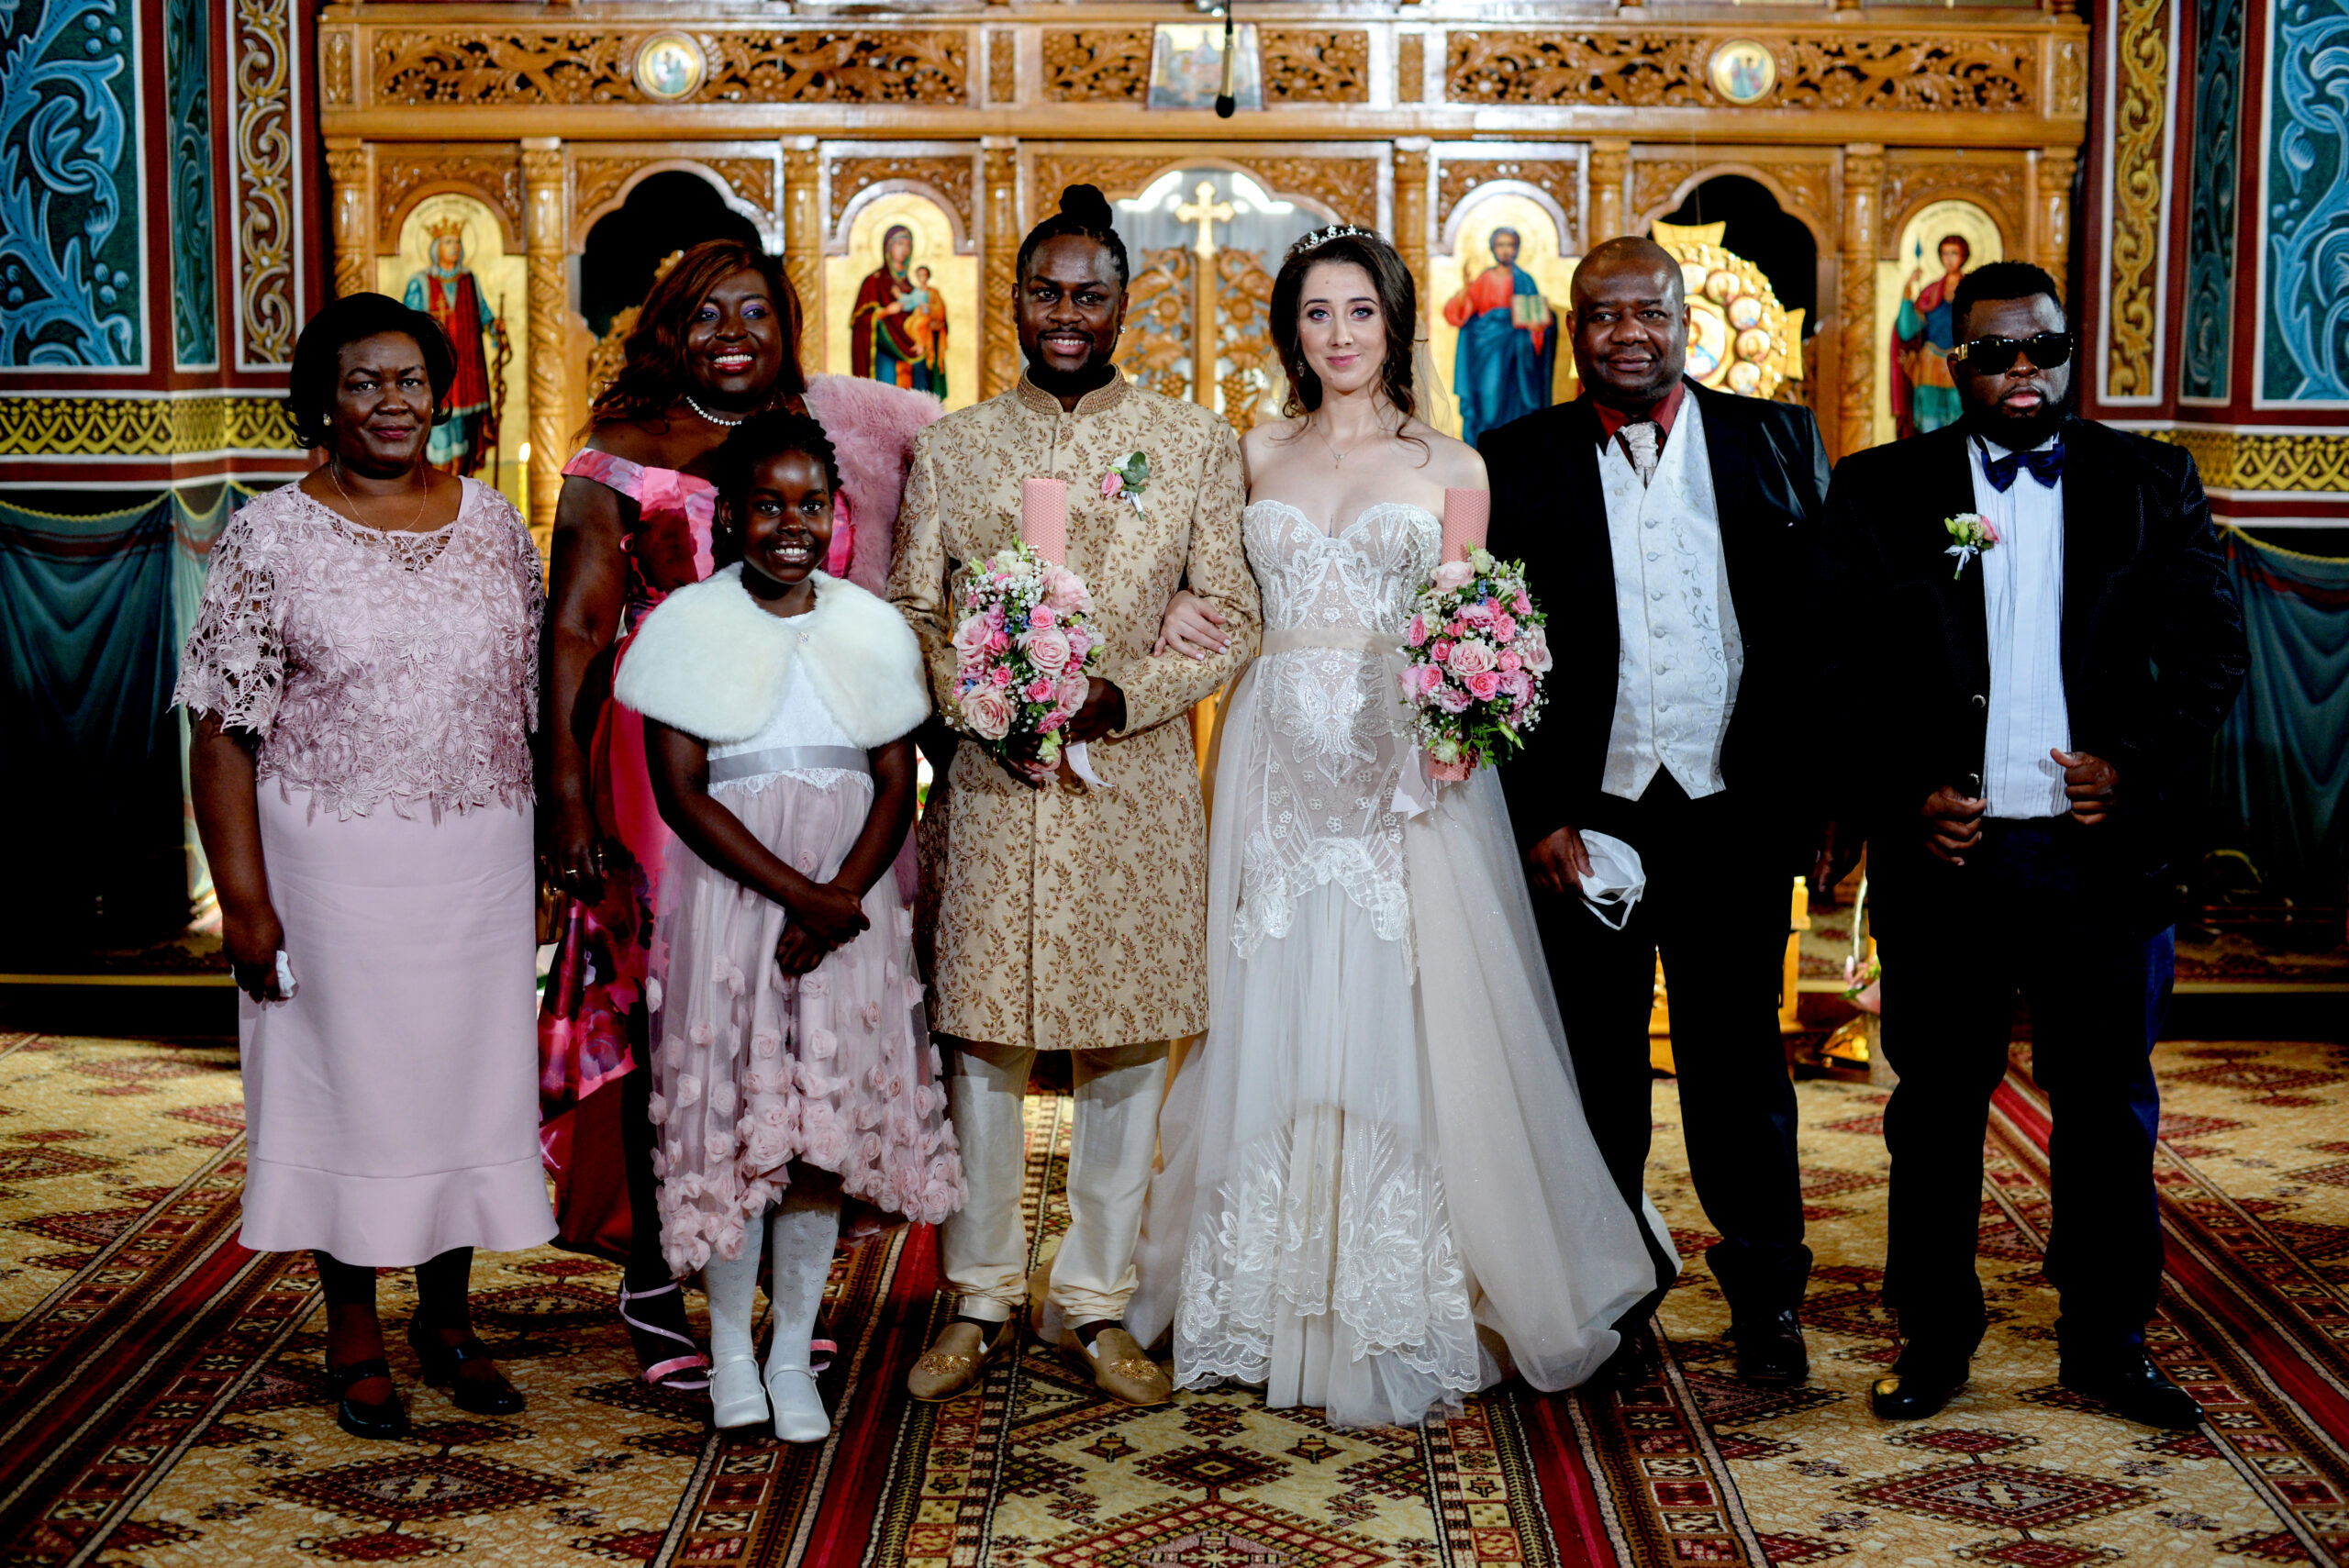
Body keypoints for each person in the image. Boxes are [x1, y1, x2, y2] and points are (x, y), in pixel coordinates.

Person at [1131, 228, 1664, 1429]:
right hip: (1273, 756)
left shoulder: (1455, 463)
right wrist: (1173, 618)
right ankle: (1262, 1292)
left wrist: (1462, 719)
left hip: (1402, 761)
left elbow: (1470, 614)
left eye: (1360, 311)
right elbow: (1213, 589)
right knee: (1269, 987)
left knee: (1406, 1004)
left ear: (1396, 323)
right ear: (1292, 330)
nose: (1339, 334)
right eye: (1316, 313)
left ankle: (1399, 1288)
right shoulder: (1250, 451)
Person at [1815, 261, 2248, 1429]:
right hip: (1949, 857)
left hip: (2096, 857)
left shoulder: (2149, 481)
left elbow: (2212, 651)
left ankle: (2107, 1342)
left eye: (2041, 349)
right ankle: (1933, 1336)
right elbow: (1836, 669)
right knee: (1936, 1106)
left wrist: (2132, 764)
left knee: (2107, 1106)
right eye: (1993, 352)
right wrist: (1904, 791)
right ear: (1952, 363)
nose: (2020, 371)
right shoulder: (1879, 488)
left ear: (2068, 353)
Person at [539, 239, 940, 1394]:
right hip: (658, 760)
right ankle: (658, 1272)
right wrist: (566, 798)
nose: (732, 332)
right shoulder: (620, 448)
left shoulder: (823, 440)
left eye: (755, 311)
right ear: (668, 325)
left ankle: (776, 1285)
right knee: (674, 1020)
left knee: (797, 1021)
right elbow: (575, 628)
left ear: (786, 326)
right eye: (706, 311)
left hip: (813, 764)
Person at [886, 184, 1260, 1407]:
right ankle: (979, 1292)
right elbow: (913, 608)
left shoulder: (1190, 443)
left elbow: (1234, 614)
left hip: (1131, 793)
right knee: (984, 1042)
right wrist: (979, 702)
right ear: (1013, 301)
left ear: (1121, 304)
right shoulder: (955, 446)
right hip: (995, 790)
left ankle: (1094, 1301)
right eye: (1045, 292)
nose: (1065, 313)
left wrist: (1123, 693)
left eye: (1088, 295)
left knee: (1126, 1047)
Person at [177, 294, 554, 1439]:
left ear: (440, 393)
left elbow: (535, 704)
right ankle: (353, 1325)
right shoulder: (269, 536)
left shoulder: (496, 524)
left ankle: (448, 1317)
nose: (392, 402)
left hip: (478, 863)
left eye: (410, 380)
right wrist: (244, 902)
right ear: (322, 402)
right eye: (363, 382)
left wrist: (549, 857)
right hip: (330, 872)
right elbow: (220, 731)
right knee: (347, 1090)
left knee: (460, 1085)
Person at [1479, 235, 1831, 1391]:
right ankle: (1613, 1298)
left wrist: (1811, 797)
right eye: (1603, 313)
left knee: (1740, 1068)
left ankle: (1768, 1296)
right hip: (1589, 816)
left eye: (1650, 311)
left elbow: (1820, 629)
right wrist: (1537, 813)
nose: (1628, 332)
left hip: (1734, 810)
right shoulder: (1514, 458)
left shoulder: (1775, 438)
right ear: (1570, 330)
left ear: (1685, 320)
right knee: (1597, 1071)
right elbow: (1491, 654)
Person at [616, 411, 963, 1442]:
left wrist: (841, 894)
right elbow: (681, 792)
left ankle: (791, 1348)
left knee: (818, 1131)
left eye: (811, 504)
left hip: (850, 909)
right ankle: (730, 1347)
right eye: (767, 505)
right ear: (729, 515)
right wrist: (798, 896)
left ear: (837, 513)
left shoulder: (870, 626)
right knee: (738, 1125)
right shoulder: (688, 624)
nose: (791, 525)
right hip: (738, 901)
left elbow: (896, 779)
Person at [403, 219, 507, 474]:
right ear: (436, 247)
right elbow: (407, 327)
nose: (455, 247)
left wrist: (495, 328)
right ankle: (438, 484)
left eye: (458, 242)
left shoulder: (470, 280)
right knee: (440, 427)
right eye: (449, 242)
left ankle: (459, 483)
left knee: (461, 430)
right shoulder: (421, 282)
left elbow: (483, 315)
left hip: (468, 372)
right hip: (437, 370)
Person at [1442, 226, 1557, 448]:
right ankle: (1486, 450)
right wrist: (1466, 288)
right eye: (1501, 245)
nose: (1505, 250)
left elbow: (1540, 321)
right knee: (1488, 398)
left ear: (1517, 249)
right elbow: (1457, 314)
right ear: (1493, 249)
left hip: (1519, 355)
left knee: (1520, 407)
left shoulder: (1526, 281)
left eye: (1510, 245)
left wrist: (1539, 327)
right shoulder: (1485, 279)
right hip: (1488, 352)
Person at [1892, 235, 1971, 440]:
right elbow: (1907, 330)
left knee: (1960, 418)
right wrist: (1908, 289)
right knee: (1929, 421)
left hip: (1960, 361)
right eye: (1945, 253)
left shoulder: (1973, 291)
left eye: (1954, 253)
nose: (1949, 259)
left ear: (1963, 256)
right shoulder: (1930, 292)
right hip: (1930, 362)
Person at [851, 225, 943, 397]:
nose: (904, 249)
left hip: (915, 355)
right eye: (899, 244)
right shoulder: (874, 282)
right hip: (885, 353)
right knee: (887, 397)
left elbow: (928, 319)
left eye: (908, 245)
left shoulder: (914, 289)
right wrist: (885, 313)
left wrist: (933, 324)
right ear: (888, 247)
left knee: (917, 398)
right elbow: (860, 322)